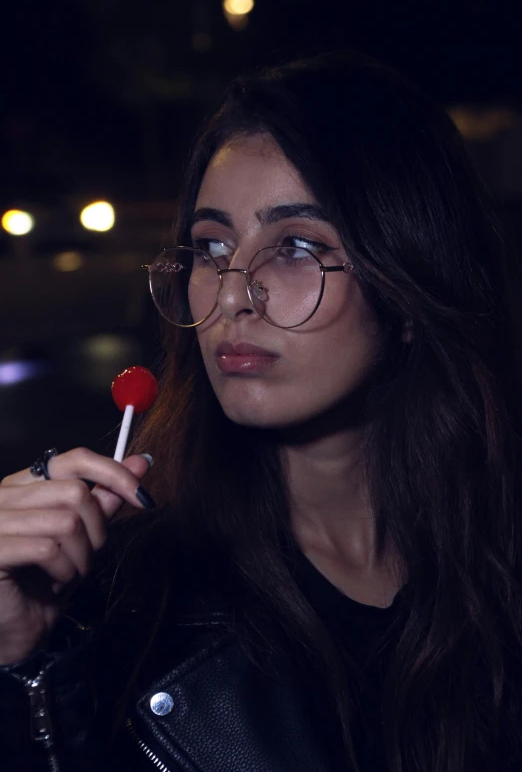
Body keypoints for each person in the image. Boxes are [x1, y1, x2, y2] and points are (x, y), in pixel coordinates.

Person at [1, 49, 522, 772]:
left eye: (296, 246)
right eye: (212, 247)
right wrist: (20, 670)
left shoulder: (496, 565)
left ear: (407, 287)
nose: (233, 294)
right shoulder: (117, 597)